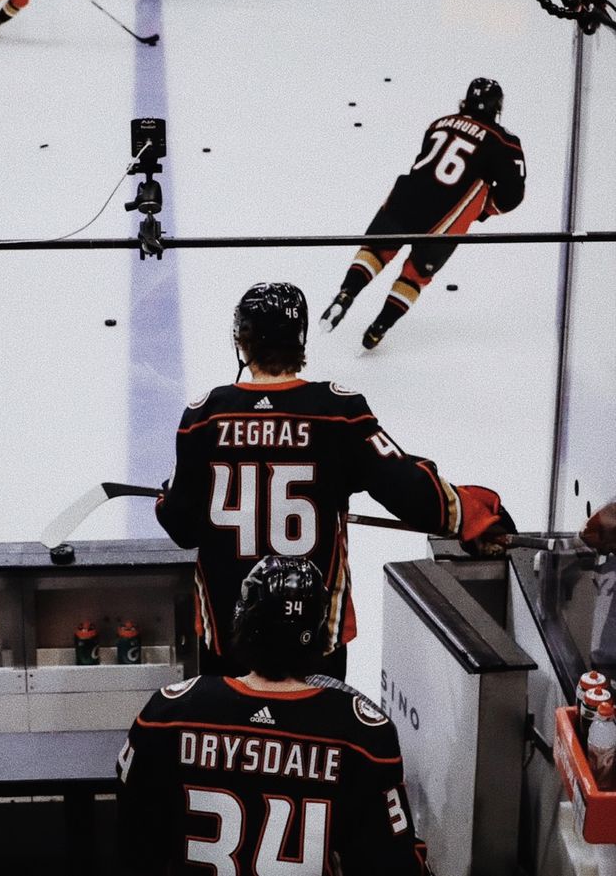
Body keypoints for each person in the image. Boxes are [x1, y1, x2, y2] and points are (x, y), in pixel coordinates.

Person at [155, 281, 517, 680]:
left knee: (234, 739)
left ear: (242, 341)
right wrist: (475, 515)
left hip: (230, 632)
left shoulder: (204, 418)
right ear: (301, 341)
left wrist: (166, 496)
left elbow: (181, 526)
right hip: (311, 631)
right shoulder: (337, 412)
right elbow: (405, 486)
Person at [116, 555, 433, 875]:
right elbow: (393, 867)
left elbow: (134, 848)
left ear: (243, 623)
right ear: (320, 636)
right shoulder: (363, 736)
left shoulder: (167, 714)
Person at [320, 78, 526, 351]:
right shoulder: (505, 143)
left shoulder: (439, 123)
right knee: (416, 274)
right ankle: (379, 327)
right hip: (448, 215)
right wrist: (482, 209)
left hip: (406, 196)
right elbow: (513, 196)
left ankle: (347, 293)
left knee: (375, 251)